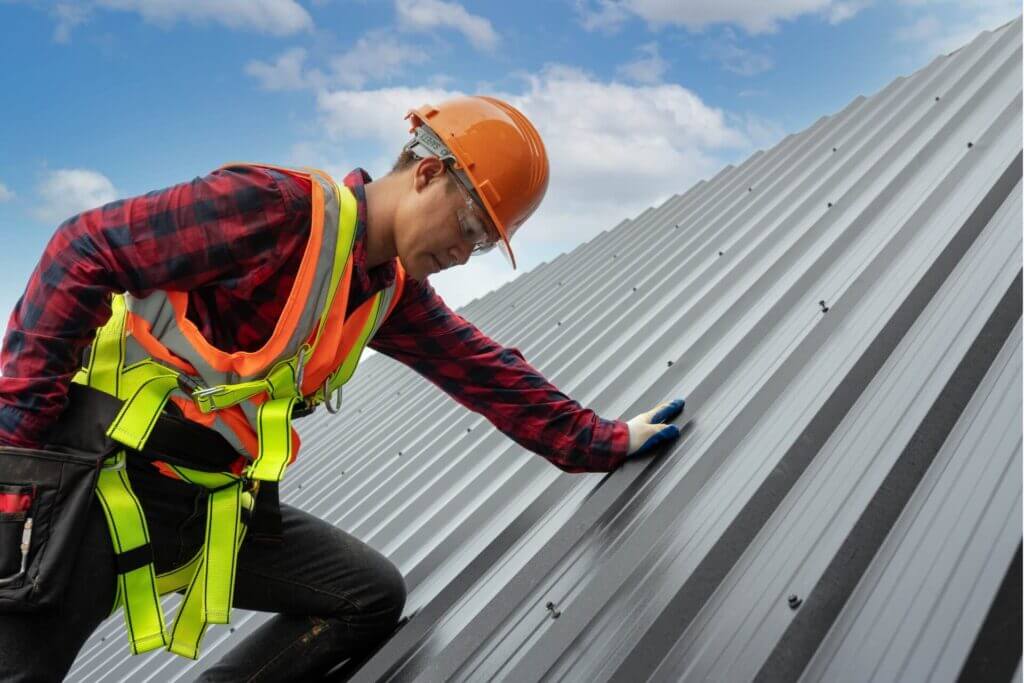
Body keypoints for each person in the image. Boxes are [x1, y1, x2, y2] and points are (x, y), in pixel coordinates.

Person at [0, 96, 684, 681]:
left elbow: (486, 371)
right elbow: (81, 249)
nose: (463, 252)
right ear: (427, 173)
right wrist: (18, 457)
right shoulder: (277, 209)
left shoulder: (388, 293)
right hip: (96, 481)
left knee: (365, 596)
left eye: (482, 245)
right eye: (471, 226)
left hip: (200, 502)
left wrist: (606, 438)